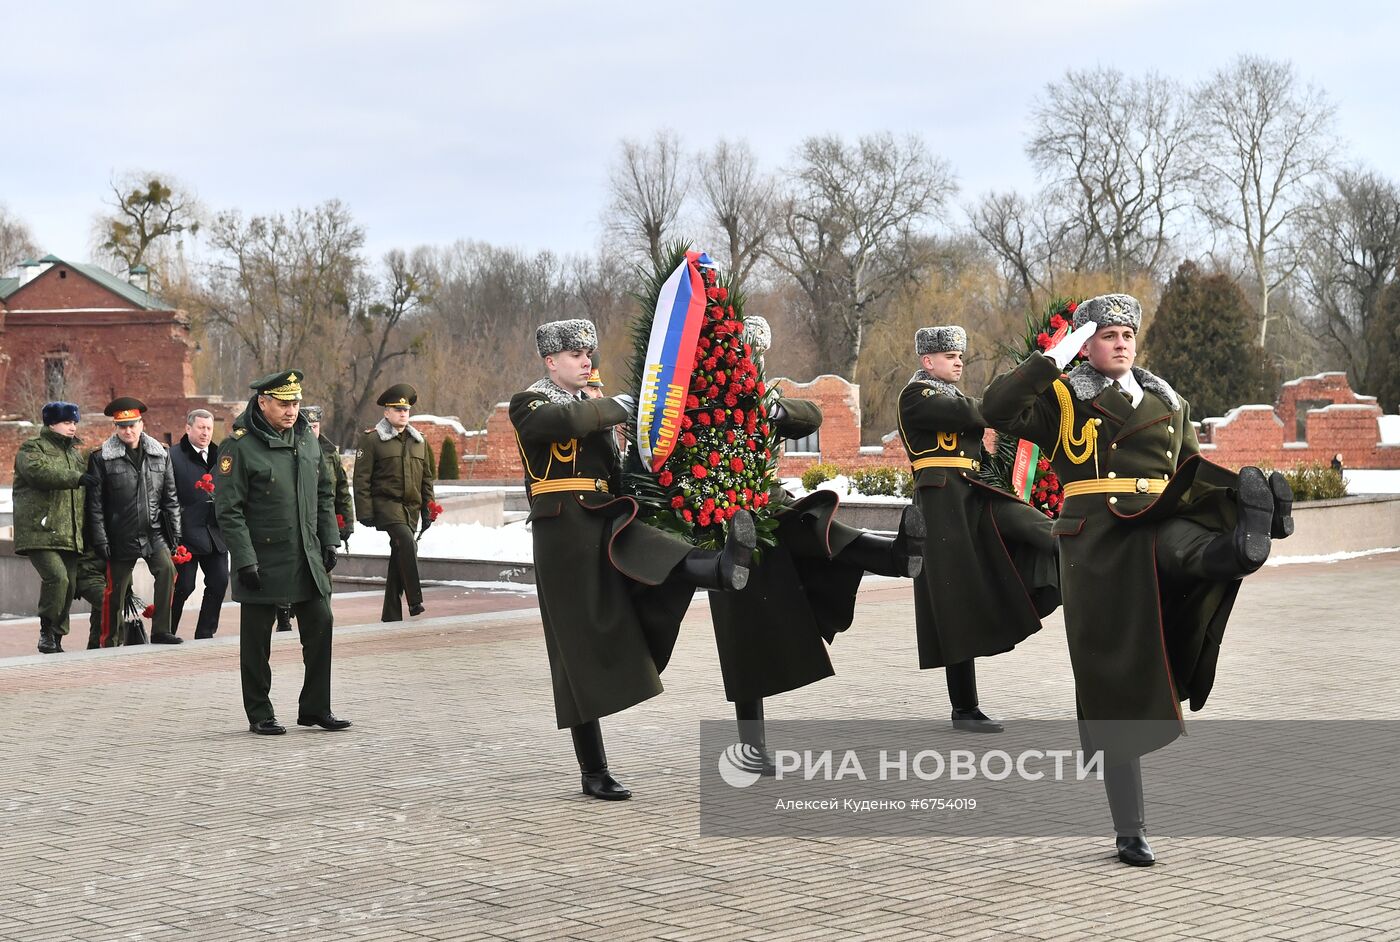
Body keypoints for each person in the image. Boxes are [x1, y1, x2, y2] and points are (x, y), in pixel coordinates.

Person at [981, 293, 1294, 867]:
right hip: (1097, 541)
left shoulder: (1167, 400)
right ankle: (1131, 830)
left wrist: (1233, 501)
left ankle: (1243, 546)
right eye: (1107, 334)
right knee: (1110, 682)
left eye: (1127, 333)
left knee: (1192, 550)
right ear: (1086, 343)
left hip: (1157, 522)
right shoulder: (1061, 397)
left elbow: (1190, 476)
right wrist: (1053, 358)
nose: (1121, 341)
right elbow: (994, 411)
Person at [511, 318, 757, 800]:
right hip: (563, 530)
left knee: (659, 555)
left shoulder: (592, 407)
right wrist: (620, 406)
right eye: (576, 355)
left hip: (606, 514)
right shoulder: (531, 402)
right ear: (550, 361)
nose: (587, 361)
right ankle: (593, 769)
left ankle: (722, 568)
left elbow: (615, 471)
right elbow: (564, 424)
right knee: (576, 650)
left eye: (590, 354)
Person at [708, 317, 927, 771]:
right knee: (744, 634)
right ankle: (752, 744)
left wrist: (775, 410)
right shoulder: (708, 400)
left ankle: (898, 554)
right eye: (745, 353)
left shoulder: (762, 396)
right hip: (728, 518)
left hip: (770, 504)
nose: (752, 362)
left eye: (757, 355)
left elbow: (811, 415)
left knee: (823, 529)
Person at [899, 326, 1060, 733]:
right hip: (941, 507)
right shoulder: (916, 396)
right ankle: (964, 708)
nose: (958, 362)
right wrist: (1012, 394)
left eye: (960, 356)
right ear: (927, 362)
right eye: (950, 356)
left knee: (1039, 527)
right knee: (956, 603)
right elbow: (971, 413)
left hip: (976, 493)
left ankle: (1076, 567)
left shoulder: (949, 395)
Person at [215, 369, 347, 736]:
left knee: (321, 624)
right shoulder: (239, 447)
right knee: (257, 641)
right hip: (263, 558)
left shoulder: (306, 439)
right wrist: (244, 559)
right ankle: (260, 712)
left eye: (296, 403)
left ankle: (316, 708)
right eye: (284, 403)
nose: (292, 410)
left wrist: (330, 539)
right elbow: (229, 509)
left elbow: (323, 493)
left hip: (307, 554)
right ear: (263, 402)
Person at [85, 397, 182, 647]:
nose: (128, 431)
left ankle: (161, 630)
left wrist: (176, 536)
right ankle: (110, 639)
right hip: (119, 534)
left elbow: (170, 498)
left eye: (132, 425)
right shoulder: (102, 458)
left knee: (167, 571)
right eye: (122, 426)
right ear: (116, 428)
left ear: (141, 424)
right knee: (114, 591)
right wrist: (101, 539)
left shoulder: (160, 454)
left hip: (154, 532)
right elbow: (95, 506)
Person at [353, 384, 435, 622]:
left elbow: (427, 479)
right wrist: (365, 512)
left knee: (400, 552)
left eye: (405, 409)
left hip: (411, 509)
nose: (402, 413)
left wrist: (428, 509)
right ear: (386, 412)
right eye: (397, 409)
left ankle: (390, 614)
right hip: (386, 505)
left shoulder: (419, 441)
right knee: (407, 542)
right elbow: (361, 478)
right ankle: (415, 600)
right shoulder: (372, 440)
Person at [14, 401, 87, 654]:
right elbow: (39, 473)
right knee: (57, 577)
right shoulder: (32, 448)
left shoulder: (76, 454)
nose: (72, 427)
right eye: (67, 422)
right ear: (51, 423)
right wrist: (76, 478)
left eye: (74, 422)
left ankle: (56, 638)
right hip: (39, 530)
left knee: (69, 585)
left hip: (69, 532)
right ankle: (46, 631)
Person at [276, 405, 354, 632]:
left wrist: (346, 522)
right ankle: (284, 614)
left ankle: (322, 618)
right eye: (308, 426)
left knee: (323, 573)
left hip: (321, 519)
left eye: (316, 426)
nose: (312, 430)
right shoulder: (291, 448)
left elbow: (339, 490)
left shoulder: (329, 453)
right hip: (294, 519)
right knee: (289, 567)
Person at [170, 409, 229, 639]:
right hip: (185, 534)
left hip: (215, 533)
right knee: (184, 586)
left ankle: (205, 633)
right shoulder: (173, 456)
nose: (205, 433)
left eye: (209, 428)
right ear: (188, 428)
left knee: (220, 581)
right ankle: (166, 629)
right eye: (200, 427)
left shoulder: (221, 457)